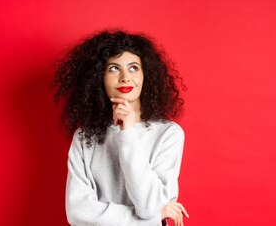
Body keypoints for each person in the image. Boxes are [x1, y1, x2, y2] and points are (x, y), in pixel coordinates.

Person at [53, 29, 189, 226]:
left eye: (134, 68)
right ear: (99, 77)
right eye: (114, 68)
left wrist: (128, 134)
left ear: (146, 75)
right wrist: (149, 221)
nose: (125, 77)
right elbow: (78, 213)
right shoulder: (85, 137)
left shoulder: (168, 134)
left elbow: (150, 206)